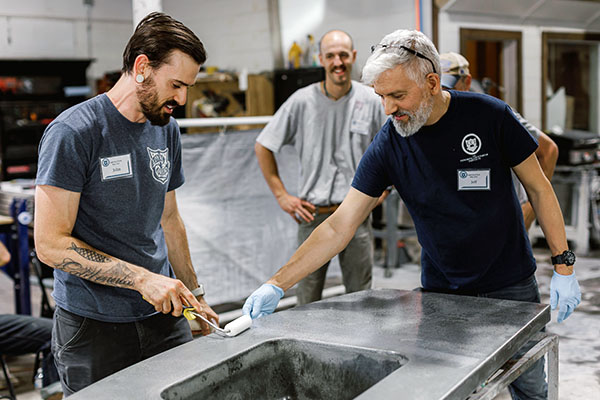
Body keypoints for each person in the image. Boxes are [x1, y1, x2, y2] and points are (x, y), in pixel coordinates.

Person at [243, 29, 582, 400]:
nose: (388, 109)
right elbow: (341, 224)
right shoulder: (390, 142)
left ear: (432, 83)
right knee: (452, 388)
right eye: (381, 97)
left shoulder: (490, 116)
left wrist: (564, 266)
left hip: (511, 285)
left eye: (398, 96)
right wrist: (277, 283)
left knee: (530, 387)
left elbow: (539, 188)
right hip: (442, 294)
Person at [34, 12, 218, 396]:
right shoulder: (74, 133)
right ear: (141, 68)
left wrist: (195, 295)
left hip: (164, 318)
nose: (182, 100)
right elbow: (50, 244)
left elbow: (170, 220)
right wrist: (141, 279)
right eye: (176, 85)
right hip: (93, 326)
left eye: (188, 88)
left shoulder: (166, 130)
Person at [254, 29, 388, 306]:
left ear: (353, 56)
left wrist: (383, 191)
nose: (337, 62)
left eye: (342, 55)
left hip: (355, 216)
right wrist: (282, 196)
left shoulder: (373, 101)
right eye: (330, 56)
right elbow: (263, 145)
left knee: (360, 297)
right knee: (307, 299)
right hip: (313, 215)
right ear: (321, 59)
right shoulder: (301, 102)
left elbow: (398, 148)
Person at [440, 51, 559, 230]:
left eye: (450, 88)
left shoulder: (494, 114)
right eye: (441, 89)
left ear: (467, 82)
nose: (445, 95)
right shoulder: (441, 120)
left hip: (505, 222)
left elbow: (549, 150)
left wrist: (529, 209)